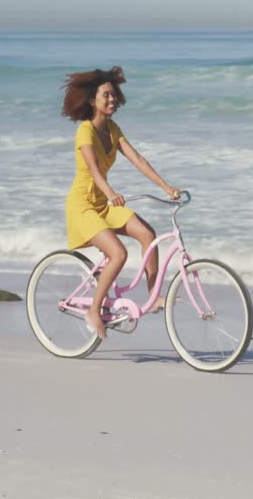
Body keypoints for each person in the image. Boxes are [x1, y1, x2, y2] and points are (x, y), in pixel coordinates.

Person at [61, 67, 180, 339]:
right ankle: (94, 310)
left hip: (104, 204)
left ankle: (153, 297)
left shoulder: (113, 129)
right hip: (83, 206)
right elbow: (93, 170)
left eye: (114, 95)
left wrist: (166, 187)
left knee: (147, 234)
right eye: (106, 95)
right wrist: (112, 191)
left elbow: (138, 160)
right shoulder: (85, 131)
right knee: (118, 254)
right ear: (92, 100)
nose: (112, 99)